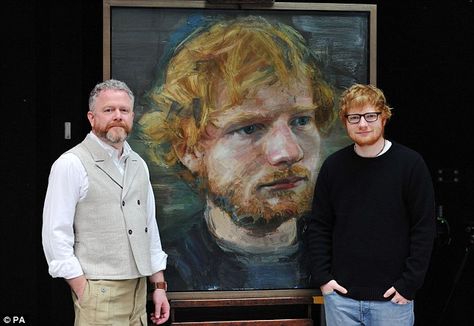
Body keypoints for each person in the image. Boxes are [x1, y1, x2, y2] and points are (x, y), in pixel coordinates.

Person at [138, 16, 336, 290]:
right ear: (189, 149)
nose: (289, 152)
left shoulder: (347, 253)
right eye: (250, 128)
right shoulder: (169, 271)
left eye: (301, 121)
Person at [42, 79, 170, 325]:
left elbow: (149, 228)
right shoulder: (71, 164)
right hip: (98, 290)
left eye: (124, 110)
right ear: (92, 117)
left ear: (132, 116)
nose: (117, 116)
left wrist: (159, 285)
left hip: (139, 289)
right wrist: (83, 289)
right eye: (109, 110)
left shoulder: (139, 165)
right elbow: (55, 234)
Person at [307, 84, 436, 325]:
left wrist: (408, 285)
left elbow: (424, 229)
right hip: (341, 300)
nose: (363, 124)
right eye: (354, 117)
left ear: (384, 117)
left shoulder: (410, 165)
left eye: (370, 116)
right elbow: (319, 226)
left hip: (393, 302)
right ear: (345, 122)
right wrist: (324, 279)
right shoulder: (334, 167)